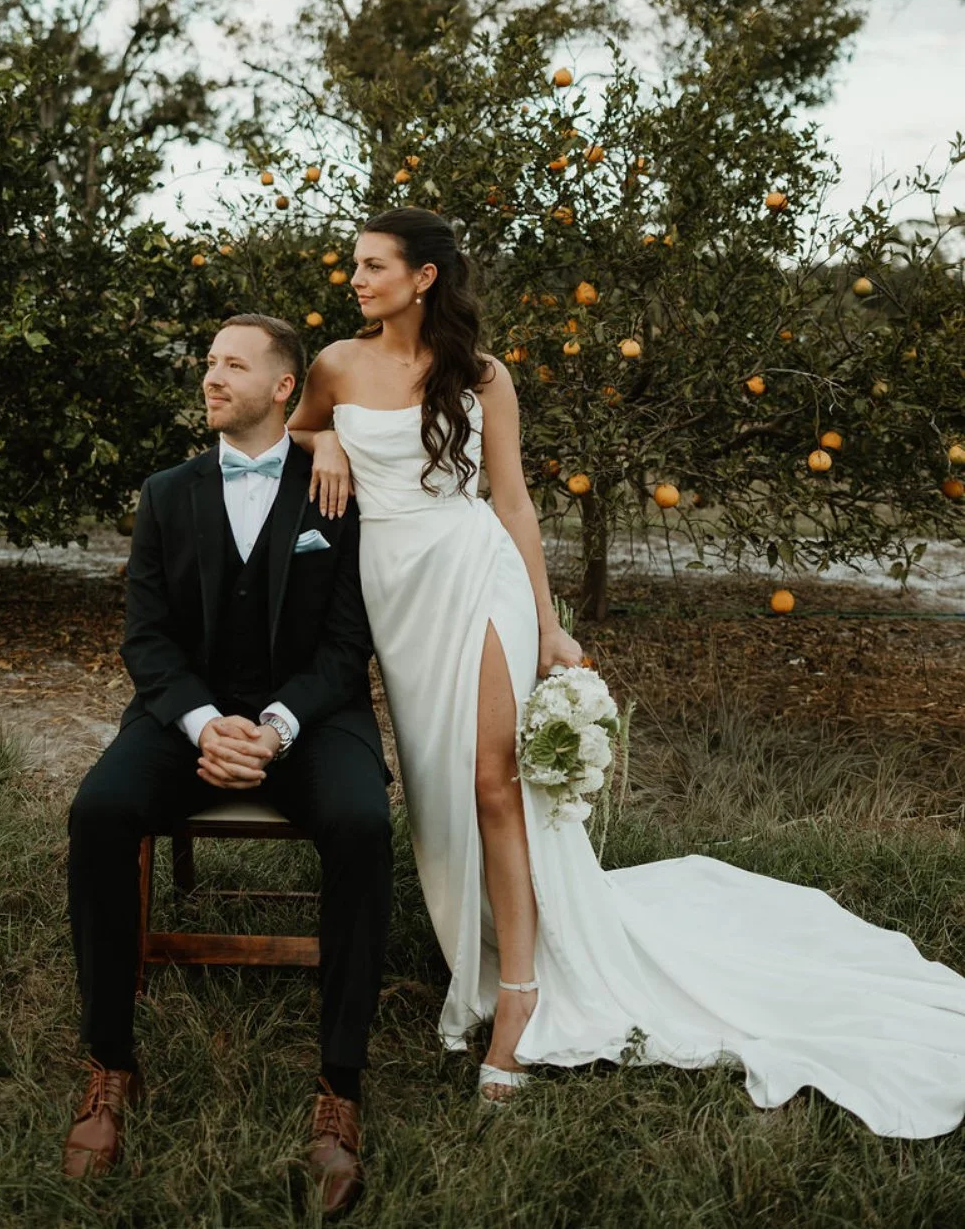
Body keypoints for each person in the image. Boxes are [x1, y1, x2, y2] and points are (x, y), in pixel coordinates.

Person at [288, 206, 965, 1133]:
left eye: (373, 266)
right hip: (394, 597)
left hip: (473, 574)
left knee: (495, 784)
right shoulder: (335, 363)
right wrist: (321, 438)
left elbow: (517, 505)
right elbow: (284, 436)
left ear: (425, 277)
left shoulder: (482, 377)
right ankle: (487, 948)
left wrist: (549, 623)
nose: (356, 280)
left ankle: (519, 999)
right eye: (356, 266)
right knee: (440, 791)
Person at [63, 313, 391, 1215]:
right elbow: (147, 636)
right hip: (187, 720)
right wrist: (206, 724)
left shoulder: (339, 491)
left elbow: (346, 641)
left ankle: (339, 1088)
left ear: (285, 388)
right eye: (209, 363)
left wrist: (278, 726)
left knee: (364, 823)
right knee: (98, 812)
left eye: (232, 365)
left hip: (312, 720)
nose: (211, 378)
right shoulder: (167, 492)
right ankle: (109, 1064)